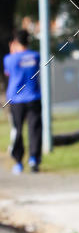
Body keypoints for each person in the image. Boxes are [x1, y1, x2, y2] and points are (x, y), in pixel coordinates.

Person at [3, 29, 42, 174]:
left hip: (16, 99)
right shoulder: (36, 56)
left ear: (15, 42)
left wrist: (12, 51)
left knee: (17, 129)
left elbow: (8, 73)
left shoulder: (9, 59)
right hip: (34, 97)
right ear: (28, 41)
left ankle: (19, 162)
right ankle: (34, 159)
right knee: (35, 128)